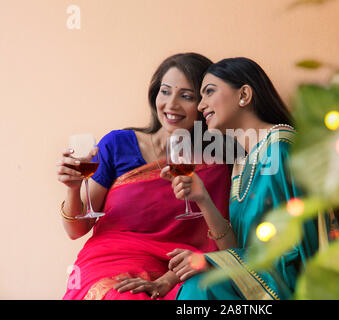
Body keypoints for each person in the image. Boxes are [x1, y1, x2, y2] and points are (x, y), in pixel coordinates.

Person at [57, 53, 231, 300]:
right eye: (165, 91)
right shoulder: (118, 145)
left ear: (203, 105)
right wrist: (73, 189)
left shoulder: (211, 165)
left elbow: (217, 243)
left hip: (177, 270)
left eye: (186, 96)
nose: (171, 104)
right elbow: (76, 229)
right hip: (108, 263)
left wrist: (169, 279)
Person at [160, 57, 321, 300]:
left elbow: (295, 247)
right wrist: (202, 198)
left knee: (201, 289)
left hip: (288, 286)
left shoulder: (280, 147)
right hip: (255, 284)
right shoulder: (241, 163)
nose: (201, 106)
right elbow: (234, 251)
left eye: (209, 92)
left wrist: (211, 261)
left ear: (244, 94)